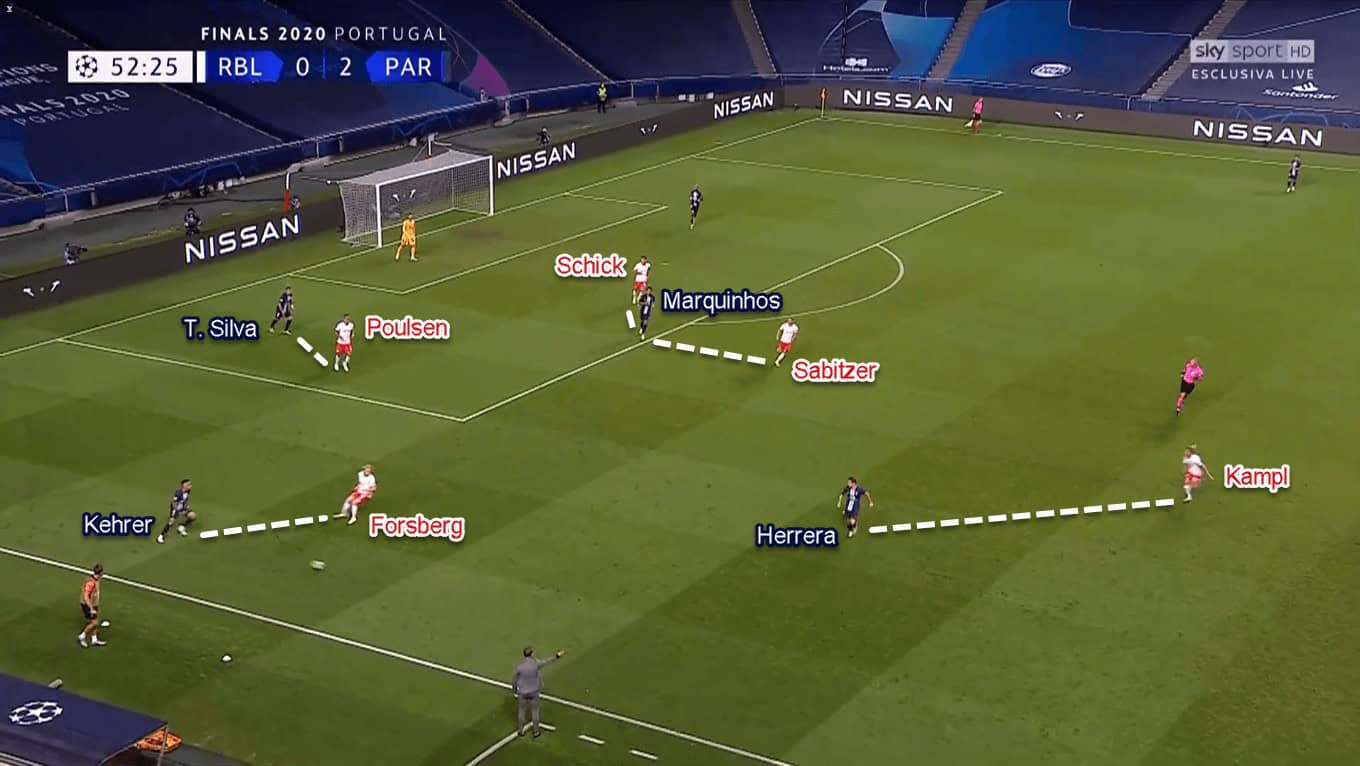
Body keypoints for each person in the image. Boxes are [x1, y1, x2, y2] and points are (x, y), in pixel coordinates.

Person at [513, 646, 565, 738]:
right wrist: (557, 656)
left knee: (521, 711)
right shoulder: (536, 663)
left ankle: (520, 731)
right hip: (533, 692)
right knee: (535, 711)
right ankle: (536, 732)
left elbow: (514, 679)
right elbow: (547, 661)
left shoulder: (520, 666)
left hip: (522, 692)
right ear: (532, 654)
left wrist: (514, 690)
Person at [156, 479, 195, 544]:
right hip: (175, 509)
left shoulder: (188, 491)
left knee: (193, 516)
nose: (191, 486)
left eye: (190, 484)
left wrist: (186, 507)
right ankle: (161, 536)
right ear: (184, 485)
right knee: (171, 522)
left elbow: (185, 500)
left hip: (182, 508)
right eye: (189, 484)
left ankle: (182, 526)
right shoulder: (178, 493)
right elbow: (174, 503)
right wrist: (178, 512)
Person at [77, 564, 106, 648]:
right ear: (100, 573)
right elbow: (85, 596)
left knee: (95, 621)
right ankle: (82, 636)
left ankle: (94, 639)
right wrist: (91, 608)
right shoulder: (91, 582)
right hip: (88, 605)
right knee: (94, 623)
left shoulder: (97, 580)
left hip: (93, 604)